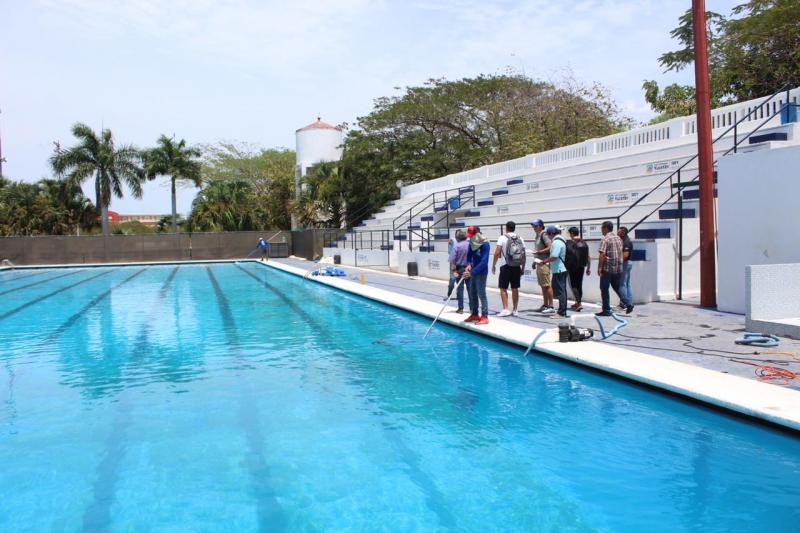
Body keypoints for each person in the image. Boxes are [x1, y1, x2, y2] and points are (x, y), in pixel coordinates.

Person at [596, 221, 632, 316]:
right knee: (617, 287)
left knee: (604, 289)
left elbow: (602, 254)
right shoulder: (618, 238)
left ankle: (606, 310)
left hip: (607, 268)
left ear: (605, 228)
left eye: (602, 228)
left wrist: (599, 268)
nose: (601, 230)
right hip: (618, 268)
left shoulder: (605, 239)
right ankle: (628, 303)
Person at [492, 221, 526, 317]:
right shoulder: (520, 238)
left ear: (506, 228)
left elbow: (497, 252)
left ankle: (506, 309)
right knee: (515, 288)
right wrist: (522, 267)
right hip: (516, 265)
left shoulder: (502, 238)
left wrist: (493, 265)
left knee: (503, 288)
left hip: (505, 265)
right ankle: (515, 310)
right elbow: (523, 255)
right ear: (514, 228)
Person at [536, 225, 569, 317]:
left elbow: (554, 256)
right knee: (561, 291)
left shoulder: (556, 242)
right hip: (559, 269)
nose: (548, 236)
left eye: (548, 234)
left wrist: (543, 261)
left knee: (561, 292)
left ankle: (561, 312)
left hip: (559, 270)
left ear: (551, 234)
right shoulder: (560, 240)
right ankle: (562, 311)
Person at [463, 226, 490, 325]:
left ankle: (485, 316)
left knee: (481, 294)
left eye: (471, 236)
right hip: (473, 272)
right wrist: (469, 264)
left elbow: (484, 262)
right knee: (473, 293)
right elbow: (469, 256)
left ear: (477, 234)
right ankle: (474, 314)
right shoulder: (472, 243)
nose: (470, 238)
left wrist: (471, 272)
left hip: (481, 273)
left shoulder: (485, 244)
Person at [530, 219, 554, 314]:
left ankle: (551, 306)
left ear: (540, 226)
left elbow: (550, 247)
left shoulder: (544, 235)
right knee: (543, 285)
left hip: (544, 263)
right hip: (539, 262)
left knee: (547, 285)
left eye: (536, 226)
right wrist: (535, 261)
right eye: (533, 226)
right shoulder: (538, 235)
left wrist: (539, 252)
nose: (534, 228)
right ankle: (545, 305)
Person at [565, 227, 591, 312]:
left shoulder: (570, 243)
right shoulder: (584, 243)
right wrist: (588, 268)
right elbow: (588, 257)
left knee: (574, 285)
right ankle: (577, 302)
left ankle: (579, 303)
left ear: (572, 233)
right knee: (579, 285)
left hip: (573, 267)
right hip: (581, 267)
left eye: (569, 233)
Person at [448, 230, 470, 313]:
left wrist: (454, 271)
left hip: (459, 268)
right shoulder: (470, 245)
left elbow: (452, 260)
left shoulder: (456, 246)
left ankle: (461, 308)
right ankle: (472, 308)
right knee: (470, 289)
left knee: (460, 289)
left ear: (457, 238)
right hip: (469, 268)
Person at [617, 226, 634, 311]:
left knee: (622, 284)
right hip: (628, 263)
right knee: (627, 284)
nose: (617, 233)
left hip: (625, 263)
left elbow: (625, 255)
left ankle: (624, 304)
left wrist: (619, 263)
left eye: (618, 232)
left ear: (623, 233)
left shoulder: (626, 242)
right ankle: (629, 302)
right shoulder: (625, 240)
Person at [444, 236, 456, 300]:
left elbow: (449, 252)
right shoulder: (464, 241)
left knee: (452, 279)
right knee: (459, 281)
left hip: (453, 262)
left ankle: (449, 294)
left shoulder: (452, 240)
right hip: (461, 263)